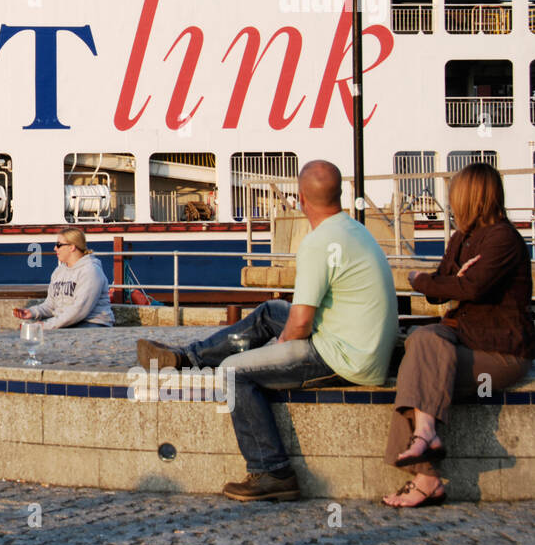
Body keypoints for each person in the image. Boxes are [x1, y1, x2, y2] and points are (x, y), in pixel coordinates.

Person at [136, 160, 398, 501]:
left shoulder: (318, 243)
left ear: (301, 198)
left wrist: (275, 350)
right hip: (363, 346)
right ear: (341, 194)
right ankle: (187, 358)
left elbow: (301, 324)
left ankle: (272, 472)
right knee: (271, 312)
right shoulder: (353, 229)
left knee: (233, 373)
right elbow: (298, 317)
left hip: (345, 358)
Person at [382, 162, 535, 507]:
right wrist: (440, 283)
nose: (449, 202)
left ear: (470, 198)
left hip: (502, 353)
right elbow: (441, 291)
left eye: (454, 195)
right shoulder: (460, 238)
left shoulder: (504, 240)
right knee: (422, 342)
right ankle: (426, 435)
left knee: (417, 366)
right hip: (463, 339)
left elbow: (470, 287)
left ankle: (426, 476)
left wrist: (424, 281)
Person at [13, 228, 114, 330]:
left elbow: (79, 310)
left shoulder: (91, 271)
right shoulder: (59, 271)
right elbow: (51, 305)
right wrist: (32, 312)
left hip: (91, 324)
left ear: (72, 247)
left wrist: (45, 325)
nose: (55, 248)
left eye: (59, 245)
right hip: (66, 323)